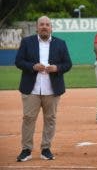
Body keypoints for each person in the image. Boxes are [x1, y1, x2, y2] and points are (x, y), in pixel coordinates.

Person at [15, 16, 72, 162]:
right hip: (31, 89)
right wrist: (32, 66)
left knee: (50, 119)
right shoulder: (27, 42)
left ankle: (46, 149)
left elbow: (68, 64)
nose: (44, 27)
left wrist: (57, 68)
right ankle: (26, 150)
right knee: (28, 119)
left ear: (51, 27)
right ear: (37, 27)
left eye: (47, 24)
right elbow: (19, 61)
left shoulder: (60, 43)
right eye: (42, 24)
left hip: (52, 90)